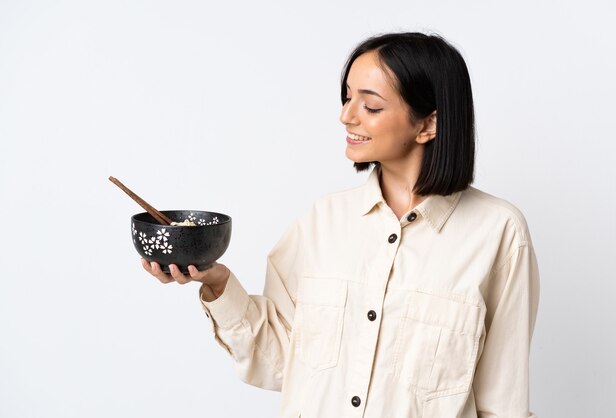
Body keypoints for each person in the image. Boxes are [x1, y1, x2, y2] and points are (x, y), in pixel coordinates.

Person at [142, 31, 540, 418]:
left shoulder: (499, 233)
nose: (345, 115)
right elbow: (281, 363)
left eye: (371, 106)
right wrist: (217, 283)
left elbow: (502, 402)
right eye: (347, 98)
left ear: (428, 125)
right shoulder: (321, 221)